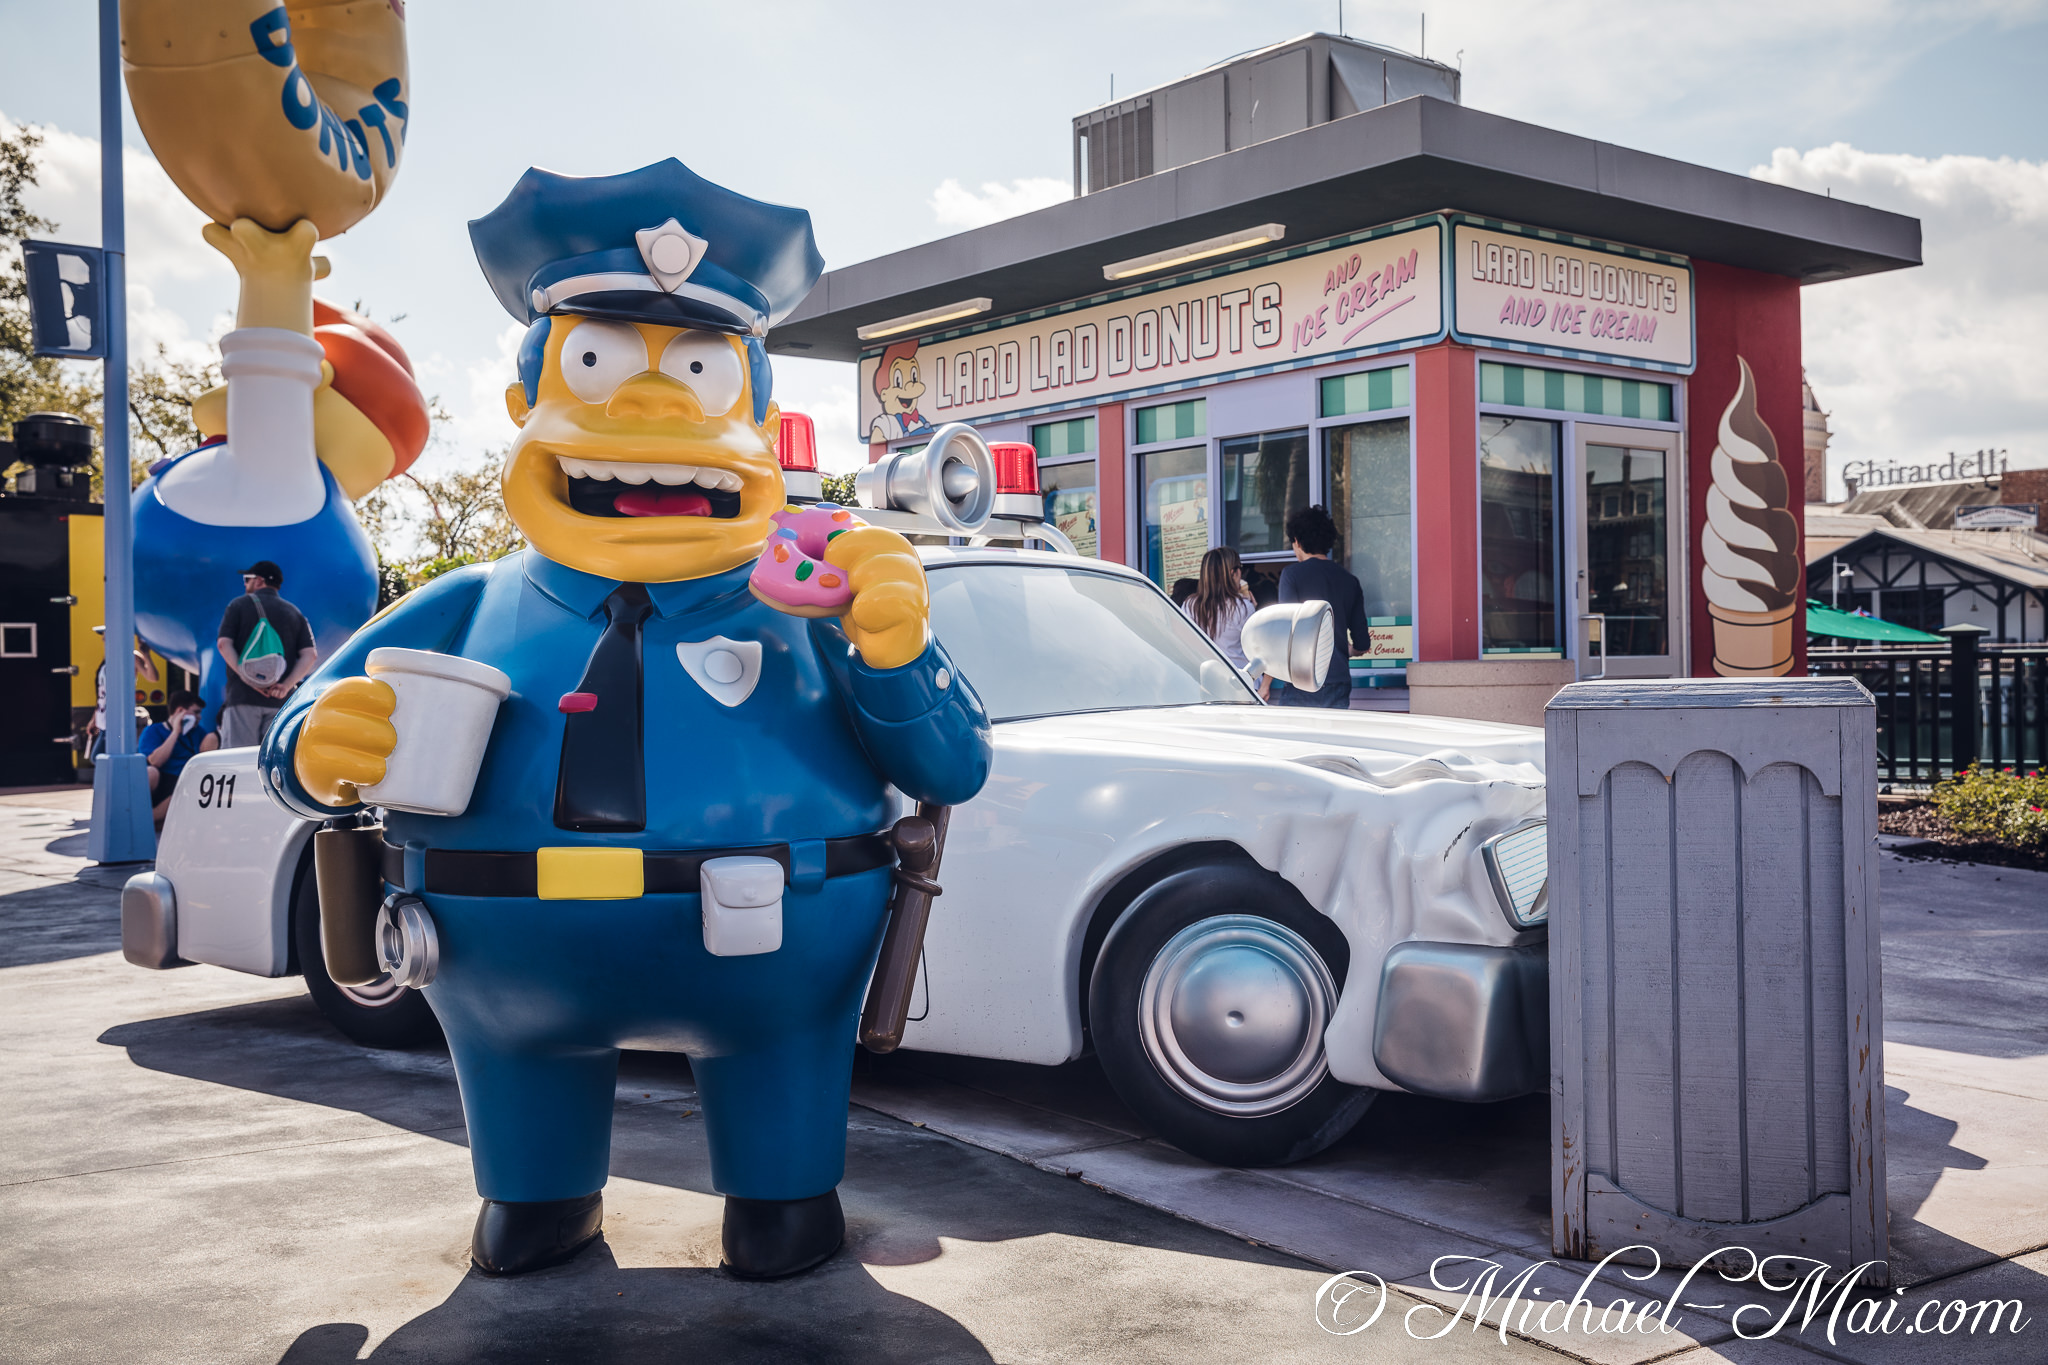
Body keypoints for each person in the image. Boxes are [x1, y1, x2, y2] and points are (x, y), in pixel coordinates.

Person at [260, 160, 991, 1280]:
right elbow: (302, 734)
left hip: (765, 948)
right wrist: (316, 744)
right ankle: (536, 1189)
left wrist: (896, 653)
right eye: (595, 365)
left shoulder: (817, 605)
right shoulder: (466, 605)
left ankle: (780, 1188)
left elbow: (951, 763)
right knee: (525, 1162)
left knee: (782, 1172)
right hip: (503, 959)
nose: (648, 408)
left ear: (753, 412)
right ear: (524, 406)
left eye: (697, 374)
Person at [1275, 505, 1371, 709]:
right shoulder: (1349, 580)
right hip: (1338, 678)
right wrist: (1345, 650)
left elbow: (1286, 632)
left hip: (1302, 679)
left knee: (1295, 740)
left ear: (1297, 542)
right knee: (1331, 739)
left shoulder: (1291, 575)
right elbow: (1362, 643)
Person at [216, 560, 318, 748]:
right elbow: (310, 655)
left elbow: (223, 644)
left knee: (239, 762)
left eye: (247, 579)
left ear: (259, 581)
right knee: (270, 762)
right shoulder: (294, 612)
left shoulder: (238, 605)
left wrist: (246, 678)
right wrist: (285, 686)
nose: (245, 584)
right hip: (280, 703)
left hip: (242, 698)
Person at [1181, 547, 1269, 699]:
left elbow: (1182, 643)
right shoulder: (1243, 607)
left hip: (1202, 685)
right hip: (1240, 686)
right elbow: (1261, 648)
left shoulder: (1190, 605)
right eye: (1240, 568)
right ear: (1232, 573)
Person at [140, 690, 219, 822]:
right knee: (150, 772)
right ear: (180, 711)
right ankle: (146, 819)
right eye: (196, 712)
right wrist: (176, 731)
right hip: (162, 781)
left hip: (185, 783)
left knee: (189, 788)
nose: (199, 717)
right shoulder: (154, 730)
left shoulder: (198, 732)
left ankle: (148, 820)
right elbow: (155, 761)